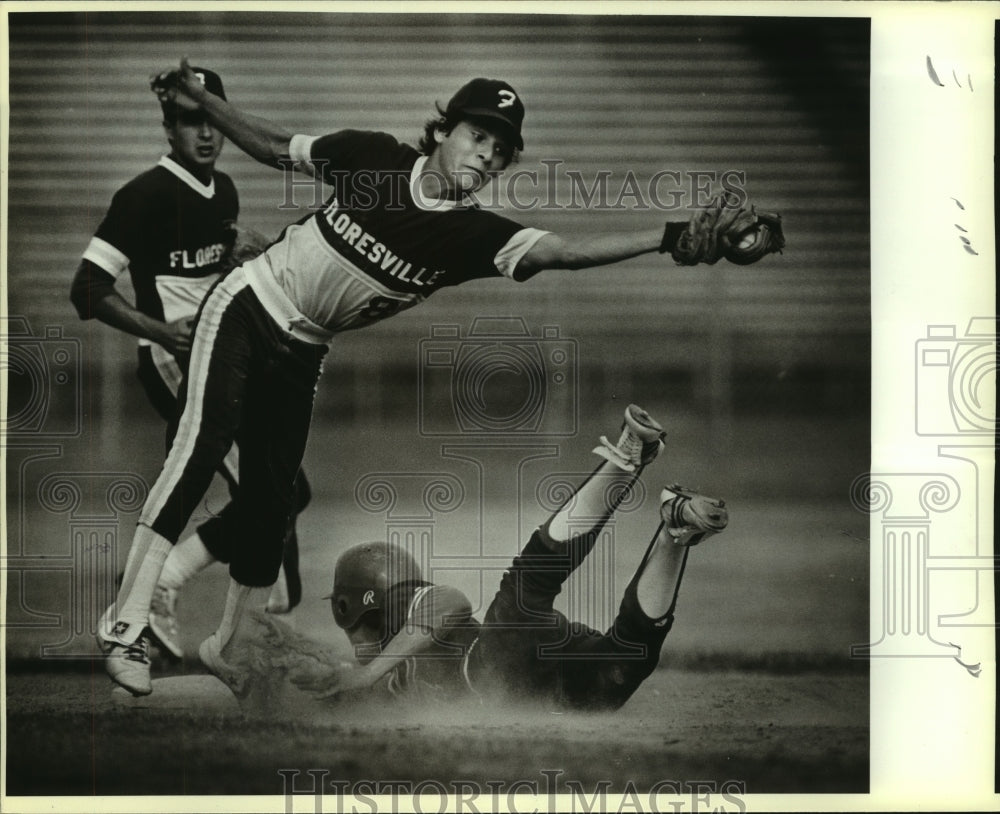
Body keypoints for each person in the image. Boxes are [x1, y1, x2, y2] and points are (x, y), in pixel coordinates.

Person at [97, 57, 764, 698]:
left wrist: (671, 237)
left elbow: (562, 250)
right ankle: (124, 628)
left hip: (304, 349)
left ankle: (231, 642)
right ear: (443, 130)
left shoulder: (471, 236)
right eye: (477, 135)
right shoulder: (374, 158)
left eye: (500, 150)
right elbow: (275, 146)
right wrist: (205, 99)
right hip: (247, 305)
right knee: (199, 449)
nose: (486, 155)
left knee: (272, 504)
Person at [233, 404, 729, 712]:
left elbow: (449, 600)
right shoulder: (376, 675)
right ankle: (675, 532)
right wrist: (278, 669)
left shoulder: (409, 612)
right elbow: (306, 693)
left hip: (499, 658)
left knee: (527, 585)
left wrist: (365, 671)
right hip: (546, 691)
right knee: (625, 662)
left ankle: (624, 460)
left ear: (354, 609)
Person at [72, 66, 309, 665]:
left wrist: (239, 254)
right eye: (189, 121)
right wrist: (159, 330)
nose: (205, 134)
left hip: (223, 358)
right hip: (176, 366)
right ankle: (158, 591)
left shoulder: (221, 189)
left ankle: (183, 592)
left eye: (212, 120)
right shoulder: (145, 194)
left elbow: (209, 269)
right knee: (276, 492)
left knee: (283, 492)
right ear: (169, 126)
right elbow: (88, 288)